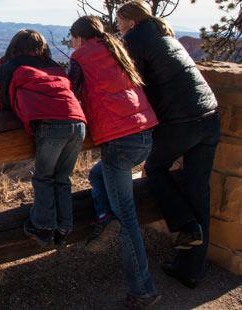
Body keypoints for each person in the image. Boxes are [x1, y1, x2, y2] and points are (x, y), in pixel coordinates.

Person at [117, 0, 220, 289]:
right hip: (210, 118)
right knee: (198, 190)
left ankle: (186, 225)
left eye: (119, 21)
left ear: (131, 21)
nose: (118, 26)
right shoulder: (165, 37)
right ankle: (192, 269)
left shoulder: (135, 40)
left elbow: (130, 83)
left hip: (182, 122)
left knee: (155, 168)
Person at [68, 16, 160, 307]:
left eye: (71, 37)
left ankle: (143, 290)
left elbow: (68, 93)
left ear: (79, 37)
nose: (71, 43)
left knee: (128, 219)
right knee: (97, 175)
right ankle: (105, 217)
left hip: (120, 141)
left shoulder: (80, 56)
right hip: (145, 135)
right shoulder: (116, 49)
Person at [0, 29, 86, 247]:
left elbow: (3, 103)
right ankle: (64, 227)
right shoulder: (54, 65)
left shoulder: (10, 66)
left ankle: (43, 227)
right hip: (79, 123)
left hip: (51, 126)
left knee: (43, 178)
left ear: (15, 45)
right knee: (62, 178)